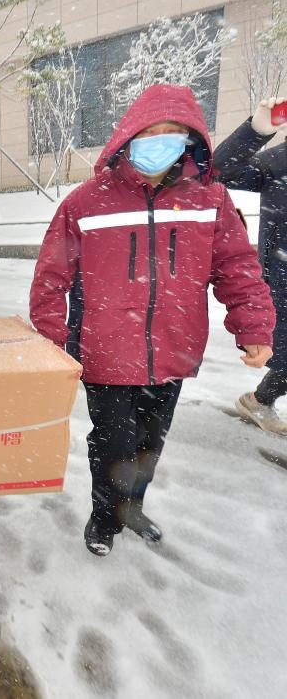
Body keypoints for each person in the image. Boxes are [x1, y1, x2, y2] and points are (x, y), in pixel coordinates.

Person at [30, 85, 276, 557]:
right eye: (151, 131)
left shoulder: (210, 199)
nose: (161, 140)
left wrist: (253, 327)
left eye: (173, 132)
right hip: (104, 352)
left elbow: (237, 267)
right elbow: (50, 278)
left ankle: (132, 508)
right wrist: (50, 342)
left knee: (148, 443)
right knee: (112, 443)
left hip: (174, 348)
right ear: (129, 135)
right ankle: (105, 518)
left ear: (190, 140)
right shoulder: (86, 201)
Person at [212, 97, 287, 436]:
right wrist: (256, 130)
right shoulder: (280, 161)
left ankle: (259, 399)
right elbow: (221, 171)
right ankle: (259, 400)